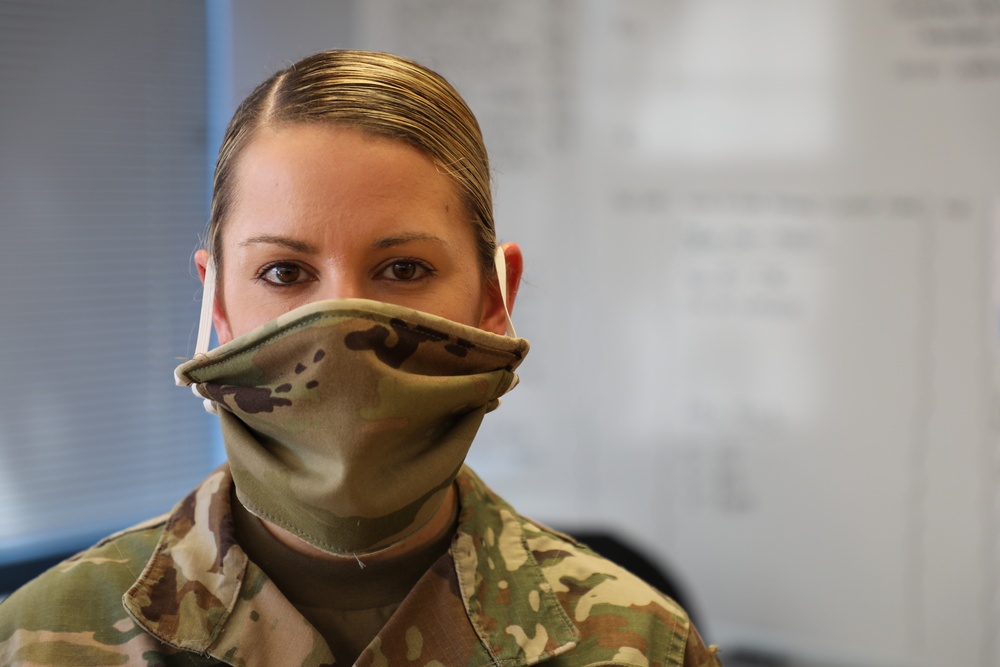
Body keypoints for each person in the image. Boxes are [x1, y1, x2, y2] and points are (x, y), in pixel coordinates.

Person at [0, 50, 722, 667]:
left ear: (497, 297)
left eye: (403, 268)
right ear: (216, 303)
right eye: (284, 273)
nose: (341, 325)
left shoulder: (639, 643)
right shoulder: (39, 642)